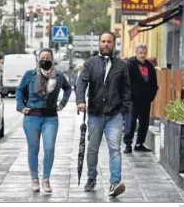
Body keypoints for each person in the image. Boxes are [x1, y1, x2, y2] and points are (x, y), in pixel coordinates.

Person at [76, 31, 131, 197]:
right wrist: (80, 101)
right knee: (92, 149)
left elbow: (127, 88)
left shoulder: (122, 65)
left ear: (113, 44)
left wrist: (124, 108)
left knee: (115, 149)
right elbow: (81, 83)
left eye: (109, 42)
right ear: (99, 44)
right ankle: (91, 178)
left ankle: (115, 183)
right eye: (103, 41)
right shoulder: (90, 63)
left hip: (114, 115)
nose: (106, 44)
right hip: (95, 114)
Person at [16, 48, 72, 193]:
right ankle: (34, 179)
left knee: (49, 148)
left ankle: (46, 179)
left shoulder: (59, 75)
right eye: (42, 57)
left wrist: (62, 103)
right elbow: (19, 90)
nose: (45, 60)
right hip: (32, 117)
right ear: (38, 59)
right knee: (33, 149)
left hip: (51, 117)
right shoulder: (30, 74)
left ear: (52, 59)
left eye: (48, 57)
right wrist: (21, 107)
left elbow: (68, 88)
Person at [123, 43, 159, 153]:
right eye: (140, 53)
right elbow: (125, 81)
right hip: (132, 100)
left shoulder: (149, 66)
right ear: (136, 53)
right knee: (131, 122)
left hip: (145, 100)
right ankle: (128, 144)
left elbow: (154, 83)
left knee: (144, 122)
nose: (142, 55)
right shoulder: (130, 64)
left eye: (144, 53)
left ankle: (139, 143)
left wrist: (151, 96)